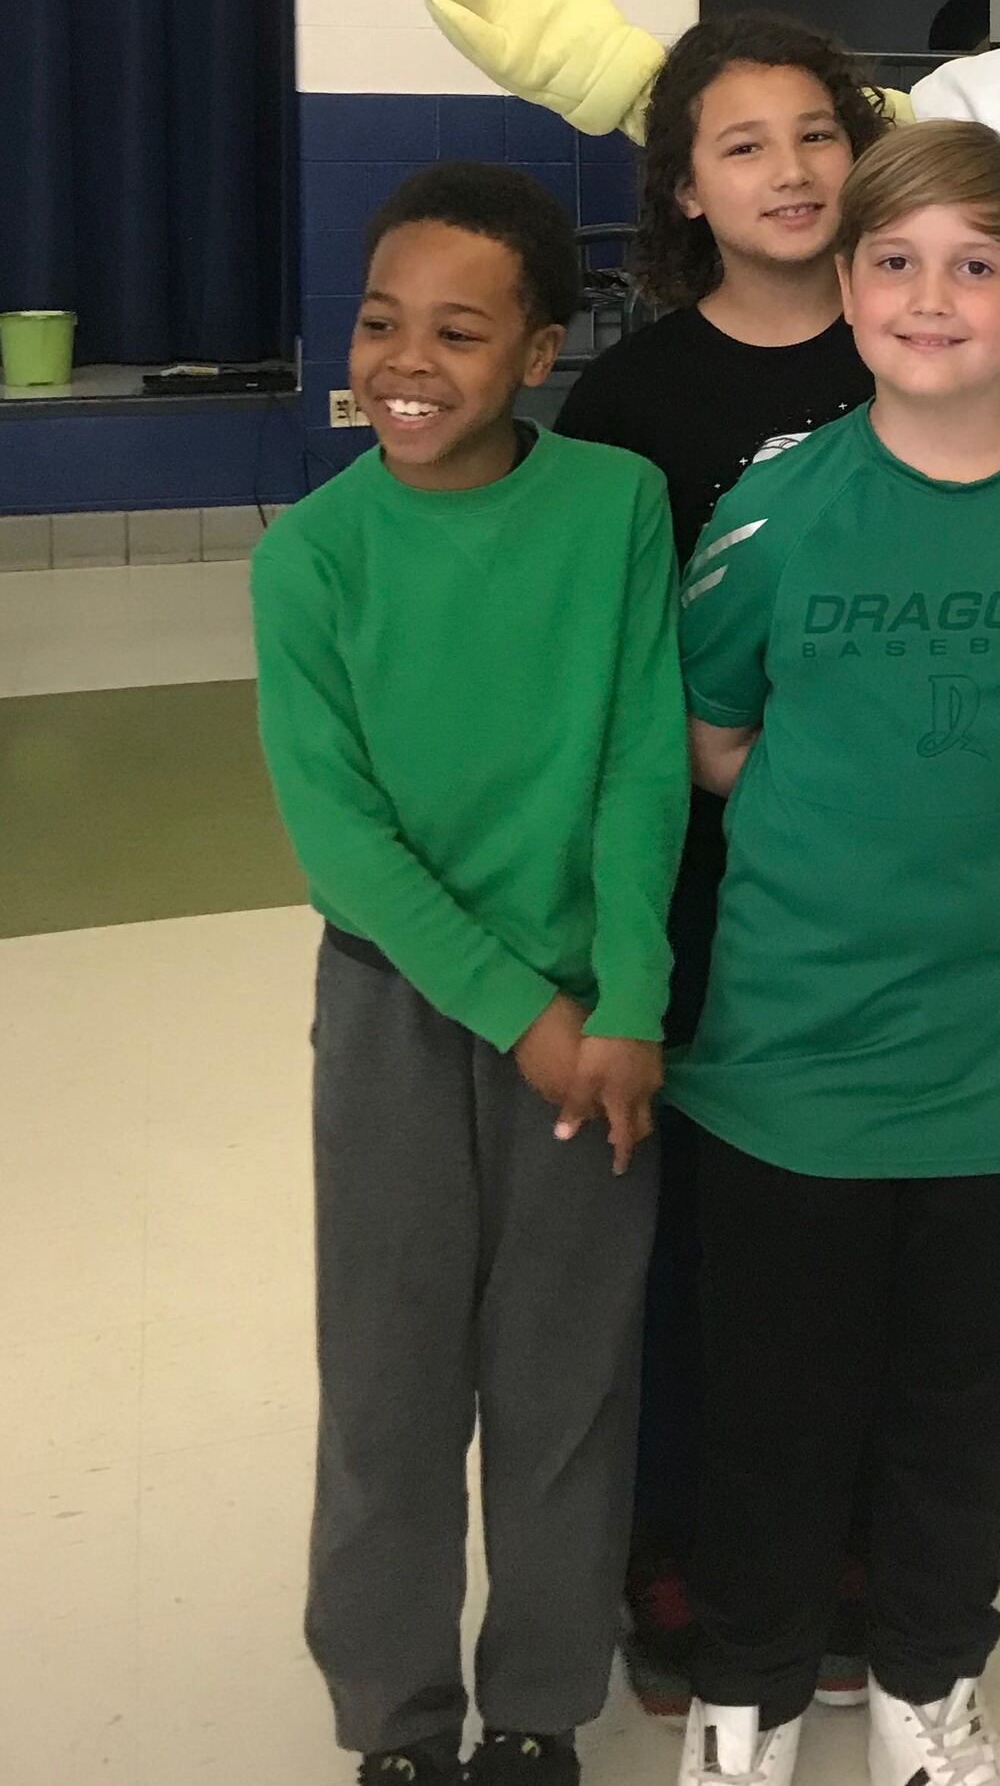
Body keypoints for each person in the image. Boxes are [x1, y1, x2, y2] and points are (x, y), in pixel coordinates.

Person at [670, 120, 1000, 1786]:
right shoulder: (775, 509)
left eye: (978, 264)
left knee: (958, 1416)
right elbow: (718, 734)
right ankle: (745, 1699)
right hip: (788, 1072)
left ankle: (925, 1693)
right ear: (844, 286)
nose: (933, 295)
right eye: (894, 259)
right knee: (773, 1415)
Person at [250, 159, 688, 1786]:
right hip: (400, 1014)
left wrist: (624, 1005)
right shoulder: (311, 556)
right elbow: (341, 840)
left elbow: (647, 760)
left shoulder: (614, 506)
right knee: (388, 1385)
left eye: (458, 327)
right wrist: (527, 1015)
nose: (407, 361)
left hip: (598, 1028)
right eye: (379, 323)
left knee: (567, 1382)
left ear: (540, 350)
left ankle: (537, 1708)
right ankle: (397, 1724)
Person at [556, 13, 885, 1715]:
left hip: (890, 885)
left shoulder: (918, 337)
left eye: (816, 132)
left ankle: (831, 1535)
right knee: (694, 1230)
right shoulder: (634, 401)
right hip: (706, 884)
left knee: (846, 1220)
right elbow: (607, 672)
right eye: (742, 143)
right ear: (682, 185)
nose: (789, 170)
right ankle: (674, 1539)